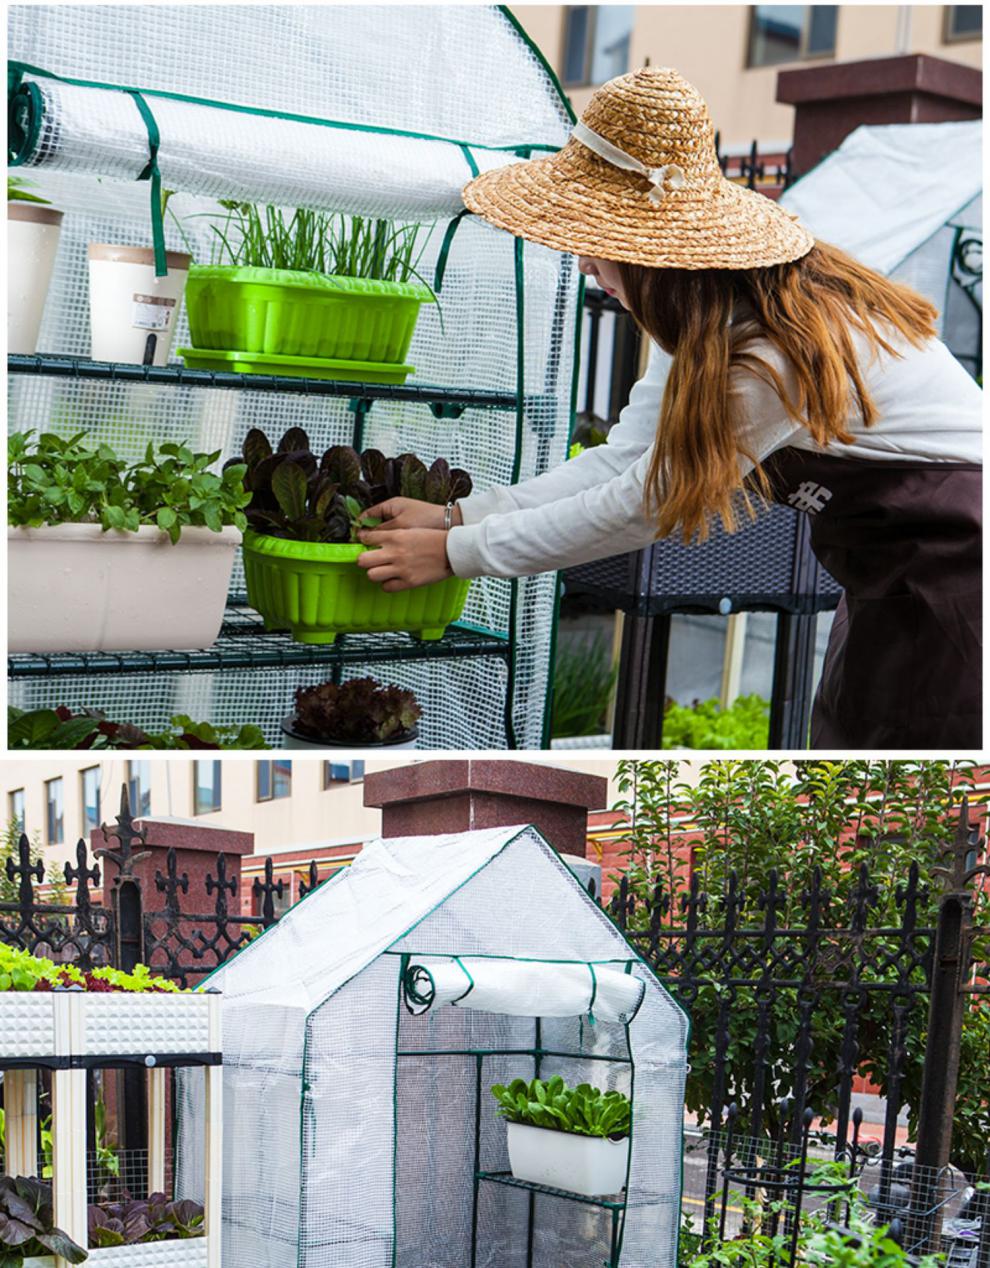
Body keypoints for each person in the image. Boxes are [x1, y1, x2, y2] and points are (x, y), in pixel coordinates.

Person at [356, 68, 982, 748]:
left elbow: (642, 502)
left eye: (591, 240)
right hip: (890, 581)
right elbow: (623, 459)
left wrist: (457, 553)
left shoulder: (766, 357)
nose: (585, 264)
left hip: (958, 584)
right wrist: (459, 515)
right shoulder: (703, 323)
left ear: (646, 248)